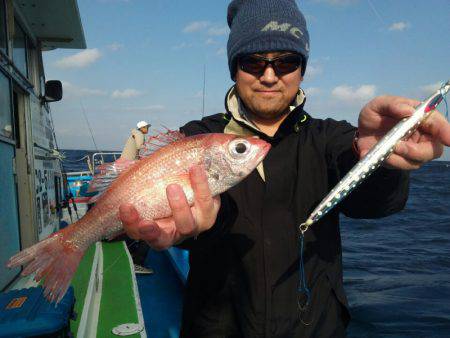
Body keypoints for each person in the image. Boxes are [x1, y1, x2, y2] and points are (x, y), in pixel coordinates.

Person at [118, 0, 450, 336]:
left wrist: (380, 159)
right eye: (253, 62)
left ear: (302, 68)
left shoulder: (332, 138)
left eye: (286, 62)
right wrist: (188, 229)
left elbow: (375, 203)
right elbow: (180, 214)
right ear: (234, 67)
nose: (269, 75)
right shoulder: (197, 138)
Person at [119, 120, 154, 274]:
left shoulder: (133, 134)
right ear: (142, 128)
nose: (147, 129)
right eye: (146, 127)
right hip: (129, 172)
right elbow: (141, 149)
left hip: (125, 170)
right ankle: (137, 262)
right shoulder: (138, 134)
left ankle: (130, 249)